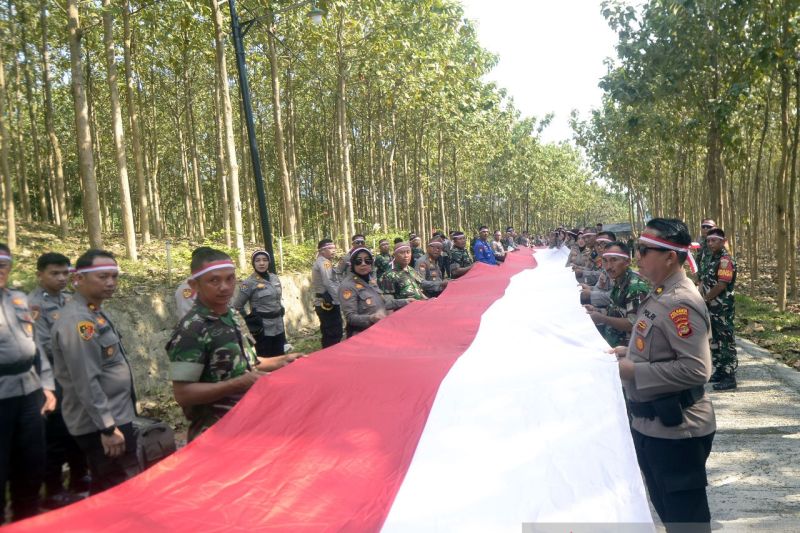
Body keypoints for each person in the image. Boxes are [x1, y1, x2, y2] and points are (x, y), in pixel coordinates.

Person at [613, 218, 715, 531]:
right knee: (671, 518)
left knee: (687, 523)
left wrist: (633, 370)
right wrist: (627, 354)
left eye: (643, 250)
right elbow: (659, 347)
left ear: (670, 257)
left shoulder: (679, 302)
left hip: (677, 432)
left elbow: (697, 368)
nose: (636, 257)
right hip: (652, 426)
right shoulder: (660, 294)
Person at [167, 248, 297, 442]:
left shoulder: (232, 317)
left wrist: (284, 360)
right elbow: (183, 394)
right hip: (216, 434)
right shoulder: (192, 329)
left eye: (230, 279)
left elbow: (247, 363)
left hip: (248, 425)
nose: (225, 287)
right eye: (214, 280)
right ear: (195, 285)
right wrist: (237, 384)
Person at [51, 249, 139, 495]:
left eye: (114, 276)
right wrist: (108, 429)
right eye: (102, 277)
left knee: (107, 487)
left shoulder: (95, 311)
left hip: (115, 415)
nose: (111, 282)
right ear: (79, 279)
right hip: (103, 425)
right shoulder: (79, 322)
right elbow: (86, 381)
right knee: (119, 489)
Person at [0, 244, 57, 522]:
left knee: (32, 461)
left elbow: (35, 346)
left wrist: (46, 384)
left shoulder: (19, 299)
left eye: (4, 263)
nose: (0, 269)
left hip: (29, 390)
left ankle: (28, 519)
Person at [28, 252, 90, 508]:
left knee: (79, 428)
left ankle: (79, 476)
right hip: (52, 379)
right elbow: (42, 346)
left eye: (66, 273)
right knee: (55, 434)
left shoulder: (69, 301)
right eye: (55, 273)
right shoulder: (34, 306)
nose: (62, 278)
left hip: (75, 378)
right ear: (40, 274)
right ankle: (53, 490)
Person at [584, 242, 650, 347]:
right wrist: (596, 311)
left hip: (627, 350)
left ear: (627, 261)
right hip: (611, 341)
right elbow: (615, 311)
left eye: (614, 260)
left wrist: (602, 318)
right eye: (605, 261)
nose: (608, 267)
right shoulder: (618, 280)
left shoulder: (635, 288)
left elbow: (633, 324)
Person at [338, 248, 411, 337]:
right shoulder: (348, 286)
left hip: (379, 330)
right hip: (362, 334)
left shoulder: (370, 281)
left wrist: (406, 301)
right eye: (358, 261)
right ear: (352, 264)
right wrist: (371, 318)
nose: (363, 263)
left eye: (367, 261)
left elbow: (383, 303)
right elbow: (350, 317)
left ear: (371, 264)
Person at [699, 228, 738, 391]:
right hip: (711, 307)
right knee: (714, 339)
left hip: (722, 308)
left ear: (723, 241)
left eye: (714, 240)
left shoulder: (725, 260)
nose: (710, 243)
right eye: (708, 240)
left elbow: (721, 285)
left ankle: (730, 375)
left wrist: (705, 299)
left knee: (725, 340)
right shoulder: (711, 259)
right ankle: (720, 370)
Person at [233, 250, 286, 357]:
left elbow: (278, 298)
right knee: (266, 359)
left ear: (268, 262)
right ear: (253, 263)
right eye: (257, 261)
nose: (261, 263)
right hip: (262, 329)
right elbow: (236, 306)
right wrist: (248, 321)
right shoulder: (248, 283)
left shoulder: (274, 278)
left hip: (278, 325)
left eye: (265, 260)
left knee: (280, 358)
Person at [311, 239, 344, 348]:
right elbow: (329, 282)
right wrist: (339, 301)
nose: (333, 251)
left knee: (328, 332)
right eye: (330, 248)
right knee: (334, 332)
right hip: (328, 303)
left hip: (324, 302)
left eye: (334, 248)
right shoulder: (324, 263)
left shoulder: (323, 262)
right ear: (321, 251)